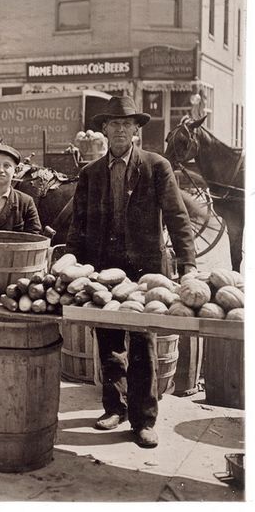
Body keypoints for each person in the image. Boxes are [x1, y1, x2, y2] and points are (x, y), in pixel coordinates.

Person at [65, 96, 197, 448]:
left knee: (142, 343)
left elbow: (177, 218)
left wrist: (190, 266)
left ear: (136, 130)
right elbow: (77, 226)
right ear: (104, 129)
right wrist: (72, 263)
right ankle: (114, 407)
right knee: (108, 341)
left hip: (145, 272)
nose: (120, 129)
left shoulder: (156, 167)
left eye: (127, 124)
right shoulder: (90, 174)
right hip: (103, 269)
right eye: (114, 124)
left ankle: (143, 419)